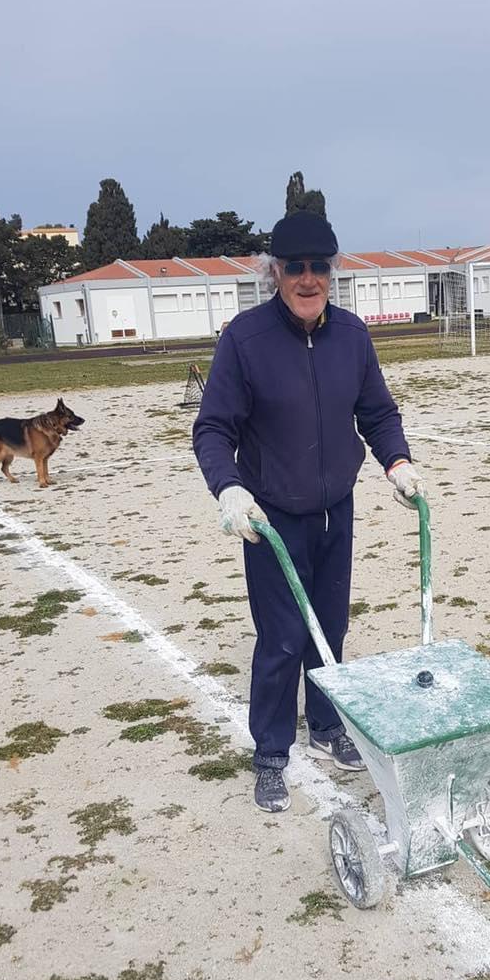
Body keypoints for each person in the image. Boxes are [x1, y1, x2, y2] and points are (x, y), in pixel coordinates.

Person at [192, 211, 425, 812]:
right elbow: (213, 428)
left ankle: (324, 727)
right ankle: (270, 751)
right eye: (293, 267)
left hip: (334, 510)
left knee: (332, 627)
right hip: (270, 519)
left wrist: (396, 461)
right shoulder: (245, 340)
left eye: (318, 266)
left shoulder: (351, 336)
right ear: (274, 272)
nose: (306, 278)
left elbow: (376, 411)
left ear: (332, 271)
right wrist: (229, 489)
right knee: (282, 639)